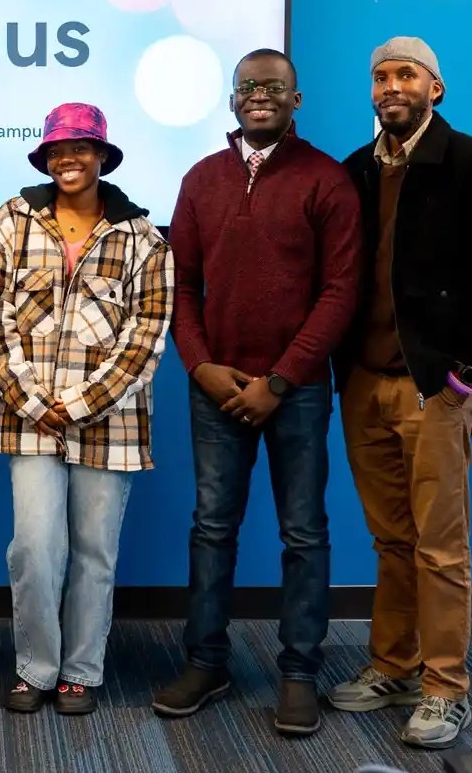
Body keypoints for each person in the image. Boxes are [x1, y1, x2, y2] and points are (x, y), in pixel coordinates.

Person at [327, 37, 472, 749]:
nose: (392, 86)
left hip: (434, 390)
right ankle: (394, 666)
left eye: (406, 74)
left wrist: (466, 373)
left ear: (434, 88)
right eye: (381, 76)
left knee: (441, 547)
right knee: (391, 540)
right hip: (364, 382)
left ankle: (445, 688)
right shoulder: (356, 170)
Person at [152, 50, 363, 735]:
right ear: (233, 100)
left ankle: (299, 672)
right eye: (248, 86)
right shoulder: (201, 179)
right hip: (215, 386)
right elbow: (181, 286)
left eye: (274, 86)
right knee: (212, 528)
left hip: (295, 390)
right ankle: (206, 662)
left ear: (296, 100)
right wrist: (201, 366)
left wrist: (281, 379)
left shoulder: (326, 179)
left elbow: (340, 292)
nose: (260, 95)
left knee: (304, 532)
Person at [0, 102, 174, 716]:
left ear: (102, 157)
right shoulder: (8, 225)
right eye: (58, 150)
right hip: (28, 419)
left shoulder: (143, 239)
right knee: (34, 548)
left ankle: (81, 672)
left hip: (110, 424)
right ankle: (35, 668)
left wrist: (81, 405)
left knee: (94, 553)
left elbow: (146, 337)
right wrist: (37, 403)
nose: (68, 159)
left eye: (81, 148)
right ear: (45, 158)